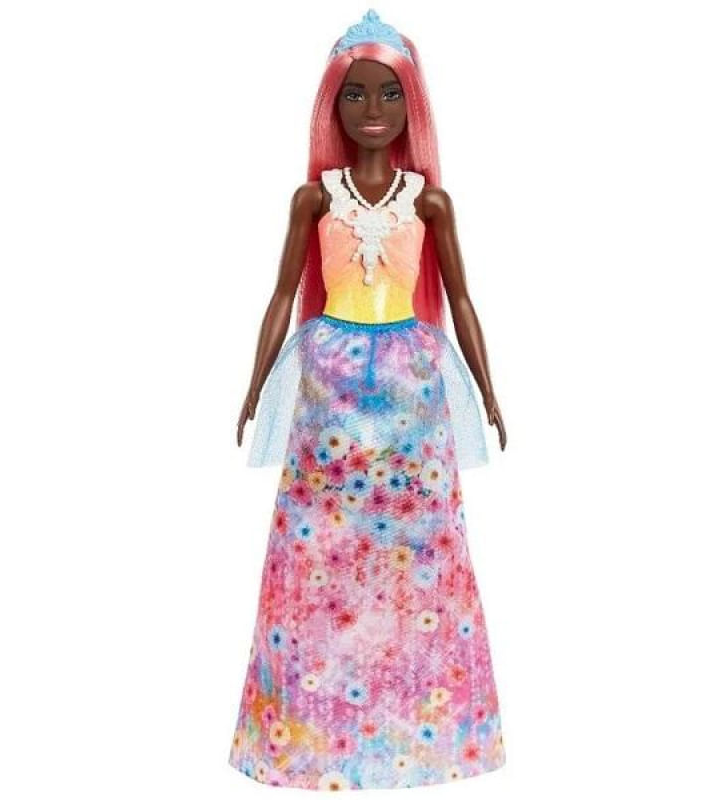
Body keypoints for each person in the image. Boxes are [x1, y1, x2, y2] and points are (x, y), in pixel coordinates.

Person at [228, 9, 508, 790]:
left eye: (389, 93)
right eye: (355, 94)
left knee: (423, 548)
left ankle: (425, 730)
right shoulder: (314, 199)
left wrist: (488, 390)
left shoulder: (430, 202)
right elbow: (283, 294)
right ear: (334, 105)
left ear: (411, 103)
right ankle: (310, 735)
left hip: (412, 385)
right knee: (317, 549)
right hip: (331, 382)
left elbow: (460, 298)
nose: (373, 109)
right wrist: (254, 384)